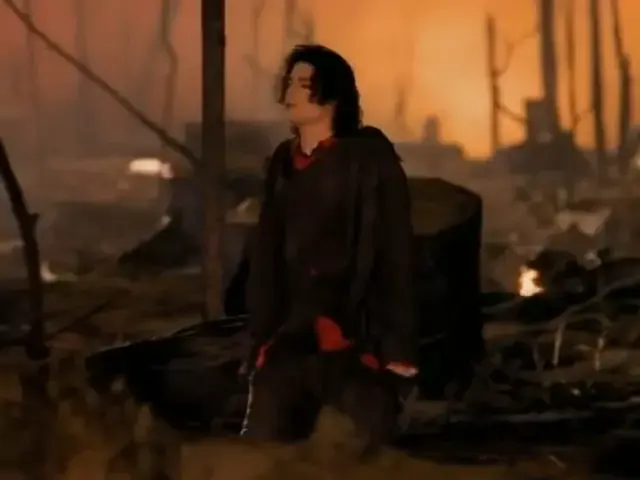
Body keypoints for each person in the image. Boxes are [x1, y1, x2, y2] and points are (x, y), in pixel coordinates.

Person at [240, 44, 419, 450]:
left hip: (353, 335)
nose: (291, 93)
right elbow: (267, 253)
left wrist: (397, 349)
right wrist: (262, 339)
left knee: (368, 453)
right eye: (289, 83)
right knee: (261, 451)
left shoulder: (368, 160)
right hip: (291, 336)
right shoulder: (283, 164)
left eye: (304, 84)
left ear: (333, 96)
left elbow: (395, 254)